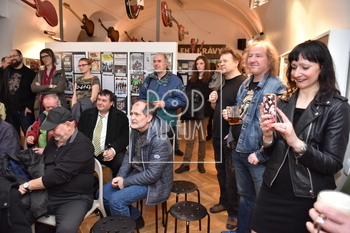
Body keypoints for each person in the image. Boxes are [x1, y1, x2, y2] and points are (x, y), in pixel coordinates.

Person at [251, 40, 350, 233]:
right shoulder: (284, 100)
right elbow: (270, 152)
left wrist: (296, 143)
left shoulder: (337, 107)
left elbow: (333, 164)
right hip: (271, 188)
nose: (297, 73)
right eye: (294, 67)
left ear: (323, 67)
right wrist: (267, 136)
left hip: (306, 196)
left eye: (305, 67)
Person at [223, 40, 285, 233]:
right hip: (239, 151)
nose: (252, 59)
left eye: (258, 55)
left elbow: (279, 127)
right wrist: (231, 132)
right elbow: (242, 116)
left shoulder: (276, 86)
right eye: (250, 55)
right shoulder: (245, 85)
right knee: (246, 197)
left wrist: (261, 153)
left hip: (258, 156)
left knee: (261, 200)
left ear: (270, 60)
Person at [18, 106, 95, 233]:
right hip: (49, 193)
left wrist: (27, 185)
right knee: (15, 214)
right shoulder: (54, 141)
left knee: (65, 229)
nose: (52, 132)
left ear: (69, 125)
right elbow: (46, 165)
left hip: (74, 198)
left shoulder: (82, 145)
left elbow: (58, 176)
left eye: (54, 128)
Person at [103, 100, 173, 228]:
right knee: (102, 194)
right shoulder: (136, 129)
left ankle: (124, 228)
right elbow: (129, 154)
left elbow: (152, 175)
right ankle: (134, 217)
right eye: (131, 113)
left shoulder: (160, 140)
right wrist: (121, 176)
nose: (132, 118)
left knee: (116, 201)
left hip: (155, 183)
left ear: (149, 117)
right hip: (137, 174)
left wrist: (125, 182)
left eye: (137, 114)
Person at [207, 48, 247, 230]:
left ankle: (235, 213)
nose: (221, 64)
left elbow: (243, 115)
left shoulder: (243, 84)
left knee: (233, 177)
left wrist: (231, 131)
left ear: (236, 62)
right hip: (217, 136)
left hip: (231, 139)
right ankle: (224, 202)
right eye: (220, 62)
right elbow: (219, 110)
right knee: (221, 172)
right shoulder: (223, 82)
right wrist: (214, 102)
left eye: (225, 61)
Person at [139, 53, 186, 153]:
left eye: (159, 61)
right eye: (154, 61)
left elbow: (182, 100)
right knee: (150, 150)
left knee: (165, 153)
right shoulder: (149, 79)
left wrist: (165, 103)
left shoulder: (175, 80)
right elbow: (142, 97)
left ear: (166, 64)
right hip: (149, 122)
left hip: (167, 122)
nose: (156, 64)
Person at [78, 89, 129, 177]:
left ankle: (115, 185)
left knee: (121, 161)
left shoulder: (120, 117)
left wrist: (113, 150)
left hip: (109, 152)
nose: (100, 103)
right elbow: (79, 134)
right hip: (89, 152)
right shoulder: (86, 114)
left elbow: (125, 137)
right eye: (99, 99)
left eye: (104, 101)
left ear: (111, 103)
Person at [175, 55, 212, 174]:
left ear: (206, 65)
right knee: (190, 139)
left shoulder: (210, 80)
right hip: (191, 113)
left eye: (201, 63)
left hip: (203, 113)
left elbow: (209, 97)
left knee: (202, 139)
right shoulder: (192, 79)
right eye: (197, 64)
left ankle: (200, 163)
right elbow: (188, 95)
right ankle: (186, 164)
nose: (199, 66)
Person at [0, 49, 36, 137]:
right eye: (11, 56)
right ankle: (16, 151)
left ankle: (30, 151)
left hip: (24, 110)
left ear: (20, 57)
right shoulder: (7, 71)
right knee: (11, 136)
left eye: (15, 55)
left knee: (29, 135)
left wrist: (30, 106)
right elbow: (2, 87)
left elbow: (35, 92)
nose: (13, 58)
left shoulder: (30, 73)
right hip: (9, 110)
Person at [31, 48, 67, 119]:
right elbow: (33, 88)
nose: (44, 59)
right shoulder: (40, 72)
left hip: (56, 104)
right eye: (42, 57)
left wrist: (41, 88)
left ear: (51, 56)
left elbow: (59, 89)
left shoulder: (59, 71)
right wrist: (50, 86)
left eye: (46, 56)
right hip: (41, 105)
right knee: (41, 127)